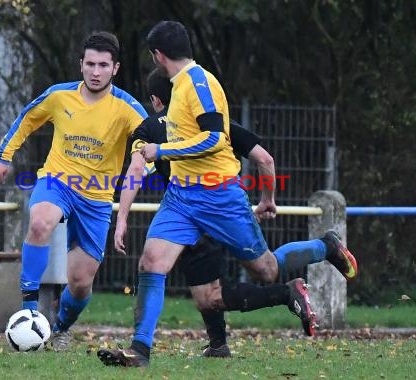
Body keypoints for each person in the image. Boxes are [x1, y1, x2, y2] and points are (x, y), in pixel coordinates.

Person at [97, 21, 357, 367]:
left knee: (266, 269)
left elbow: (215, 139)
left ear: (158, 55)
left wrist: (161, 152)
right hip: (180, 197)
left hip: (220, 197)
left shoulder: (200, 82)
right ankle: (140, 351)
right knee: (151, 262)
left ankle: (326, 245)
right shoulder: (177, 89)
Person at [112, 69, 317, 359]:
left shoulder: (147, 129)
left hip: (188, 212)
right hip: (219, 207)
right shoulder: (214, 124)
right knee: (227, 284)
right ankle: (213, 346)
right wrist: (268, 199)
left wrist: (122, 218)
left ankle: (286, 293)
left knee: (210, 293)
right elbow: (265, 158)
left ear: (156, 100)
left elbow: (135, 171)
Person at [0, 31, 148, 351]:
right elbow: (27, 119)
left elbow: (151, 147)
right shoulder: (59, 96)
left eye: (103, 65)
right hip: (57, 180)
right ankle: (29, 307)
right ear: (80, 65)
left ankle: (59, 328)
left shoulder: (128, 108)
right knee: (41, 222)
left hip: (97, 197)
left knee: (81, 283)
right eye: (90, 64)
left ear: (115, 68)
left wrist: (147, 164)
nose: (95, 72)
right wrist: (3, 157)